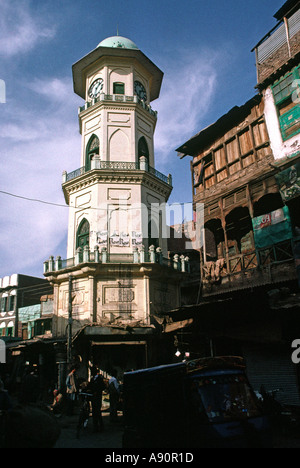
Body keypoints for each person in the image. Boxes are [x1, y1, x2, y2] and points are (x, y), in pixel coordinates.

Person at [88, 367, 106, 433]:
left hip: (98, 397)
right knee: (94, 412)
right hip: (93, 397)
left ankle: (101, 426)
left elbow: (103, 387)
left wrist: (97, 391)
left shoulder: (99, 379)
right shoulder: (92, 379)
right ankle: (95, 427)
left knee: (98, 412)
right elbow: (89, 386)